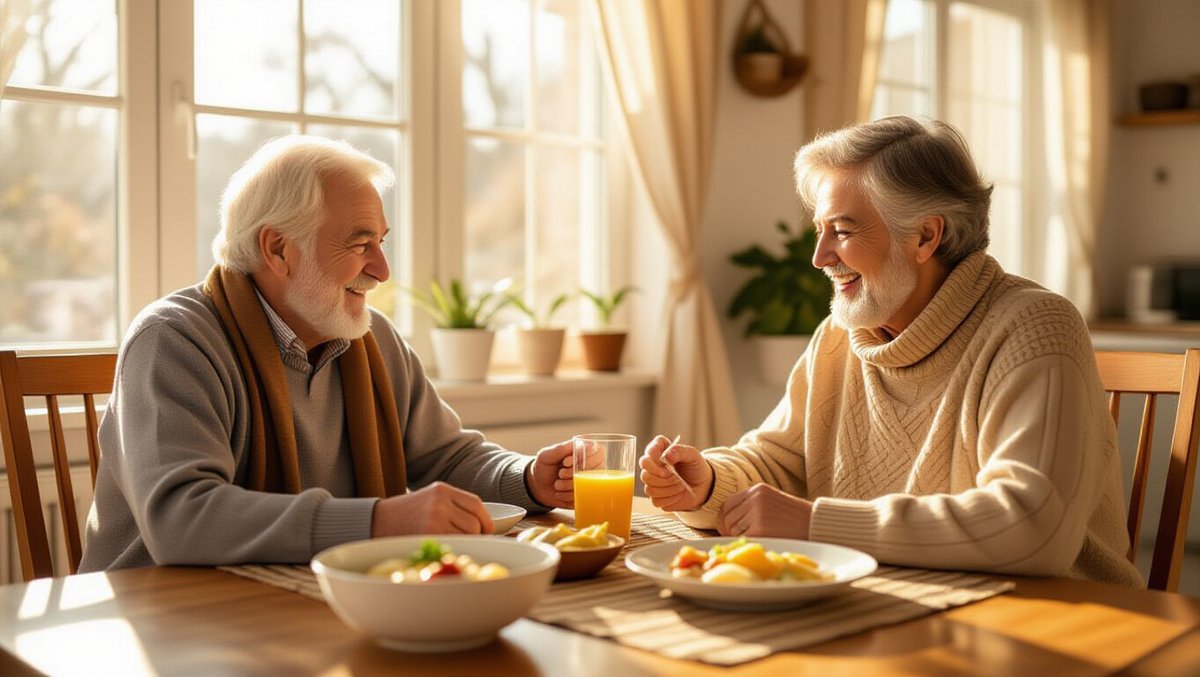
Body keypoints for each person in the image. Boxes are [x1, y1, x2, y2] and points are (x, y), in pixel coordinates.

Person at [640, 115, 1142, 586]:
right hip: (899, 601)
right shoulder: (840, 337)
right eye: (821, 232)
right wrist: (707, 483)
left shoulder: (1033, 326)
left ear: (926, 235)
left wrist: (817, 523)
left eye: (842, 230)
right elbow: (778, 461)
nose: (820, 258)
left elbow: (1032, 528)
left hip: (1056, 622)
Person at [80, 135, 574, 571]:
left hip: (300, 603)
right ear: (277, 249)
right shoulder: (173, 338)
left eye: (380, 242)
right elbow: (183, 519)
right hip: (157, 619)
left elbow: (444, 455)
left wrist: (527, 477)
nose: (382, 270)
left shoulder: (372, 337)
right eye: (361, 244)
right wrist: (378, 521)